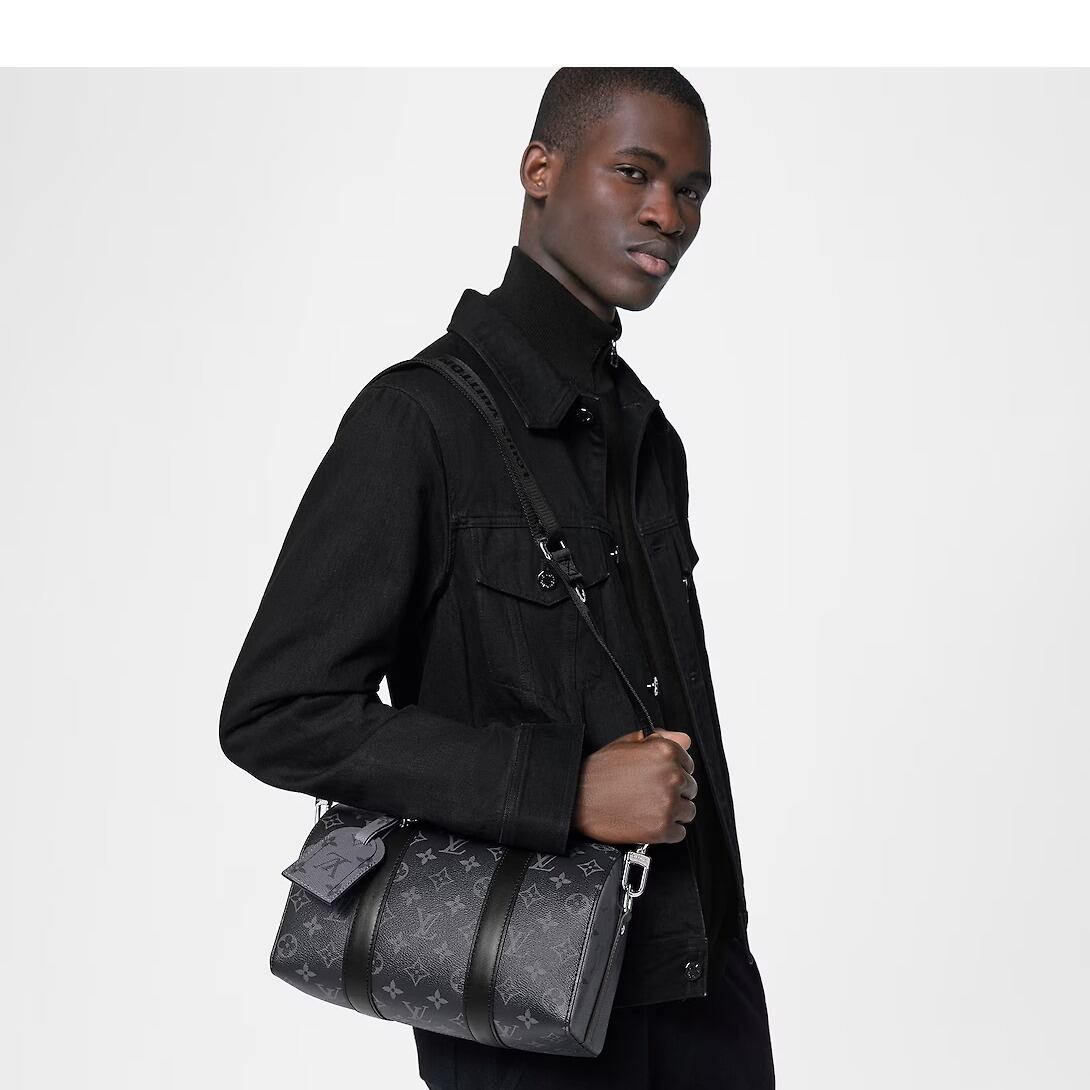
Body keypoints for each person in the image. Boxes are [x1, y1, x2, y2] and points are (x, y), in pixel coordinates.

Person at [220, 67, 775, 1089]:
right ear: (539, 169)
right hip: (526, 1011)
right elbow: (276, 713)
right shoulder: (416, 421)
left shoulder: (647, 435)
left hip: (707, 993)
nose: (669, 214)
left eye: (691, 189)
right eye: (636, 172)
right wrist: (564, 788)